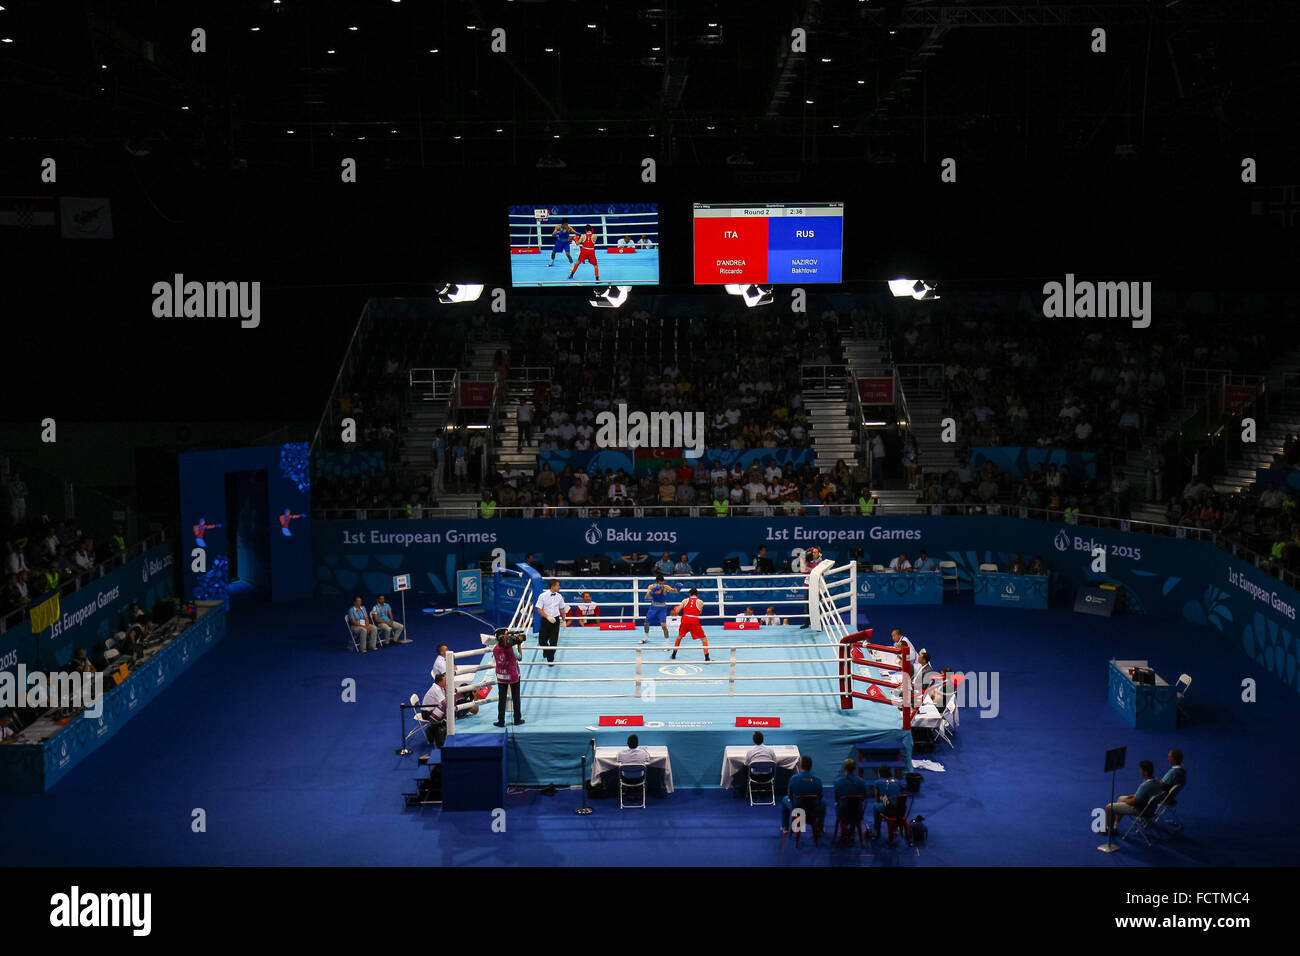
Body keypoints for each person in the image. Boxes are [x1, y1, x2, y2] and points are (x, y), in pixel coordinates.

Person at [1105, 760, 1164, 834]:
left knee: (1109, 807)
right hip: (1150, 808)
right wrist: (1131, 796)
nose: (1140, 771)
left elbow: (1135, 802)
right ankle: (1115, 824)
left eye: (1141, 770)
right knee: (1120, 798)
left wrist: (1125, 801)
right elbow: (1143, 795)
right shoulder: (1157, 782)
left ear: (1145, 772)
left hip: (1140, 810)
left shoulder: (1144, 786)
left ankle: (1110, 830)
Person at [781, 755, 825, 833]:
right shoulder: (818, 780)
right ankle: (819, 827)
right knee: (823, 802)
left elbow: (789, 795)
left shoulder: (794, 778)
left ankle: (785, 827)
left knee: (785, 799)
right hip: (813, 809)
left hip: (797, 810)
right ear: (811, 766)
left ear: (800, 765)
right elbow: (820, 796)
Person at [492, 629, 525, 726]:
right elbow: (519, 657)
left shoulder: (495, 648)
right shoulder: (512, 648)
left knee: (502, 699)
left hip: (501, 676)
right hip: (513, 675)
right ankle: (517, 720)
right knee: (516, 698)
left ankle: (501, 721)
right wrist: (519, 644)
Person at [834, 758, 870, 841]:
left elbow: (836, 799)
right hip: (858, 813)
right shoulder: (862, 782)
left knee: (839, 805)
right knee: (854, 806)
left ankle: (846, 831)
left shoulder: (838, 782)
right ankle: (851, 831)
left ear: (844, 768)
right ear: (854, 768)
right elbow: (863, 798)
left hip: (843, 813)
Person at [534, 579, 569, 665]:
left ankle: (550, 659)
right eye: (558, 585)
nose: (559, 587)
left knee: (553, 641)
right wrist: (547, 617)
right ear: (553, 586)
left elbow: (562, 609)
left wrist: (564, 620)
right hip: (546, 620)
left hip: (555, 621)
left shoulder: (559, 596)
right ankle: (546, 651)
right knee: (542, 641)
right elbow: (539, 609)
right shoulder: (542, 596)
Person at [671, 588, 709, 661]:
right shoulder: (700, 602)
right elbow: (699, 612)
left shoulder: (685, 600)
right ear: (697, 595)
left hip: (685, 619)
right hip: (694, 620)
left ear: (689, 594)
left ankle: (673, 654)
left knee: (679, 636)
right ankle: (707, 657)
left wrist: (675, 608)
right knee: (703, 638)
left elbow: (677, 611)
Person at [643, 573, 678, 645]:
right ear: (656, 582)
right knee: (646, 623)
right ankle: (646, 637)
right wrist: (652, 592)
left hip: (662, 608)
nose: (662, 585)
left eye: (663, 583)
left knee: (663, 626)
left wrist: (677, 589)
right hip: (653, 607)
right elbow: (646, 597)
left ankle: (667, 643)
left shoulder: (665, 587)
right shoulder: (651, 587)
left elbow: (675, 591)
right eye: (660, 584)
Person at [871, 766, 904, 838]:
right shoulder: (897, 781)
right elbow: (899, 794)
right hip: (900, 809)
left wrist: (883, 799)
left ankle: (877, 829)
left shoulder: (877, 782)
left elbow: (876, 799)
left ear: (880, 774)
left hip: (887, 808)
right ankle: (895, 827)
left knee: (875, 806)